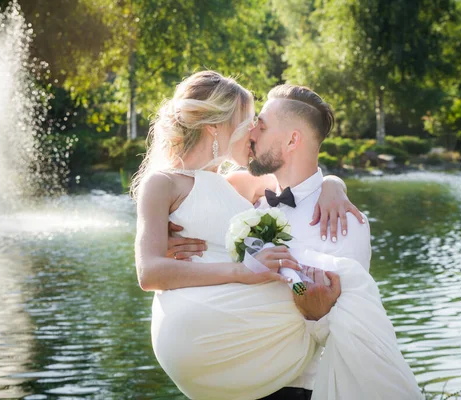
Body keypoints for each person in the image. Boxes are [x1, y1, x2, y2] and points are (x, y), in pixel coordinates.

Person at [133, 71, 358, 399]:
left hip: (252, 339)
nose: (255, 129)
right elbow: (150, 273)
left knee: (342, 286)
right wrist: (244, 271)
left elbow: (300, 184)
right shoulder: (162, 183)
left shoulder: (236, 183)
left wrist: (334, 184)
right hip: (196, 338)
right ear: (215, 126)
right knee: (350, 291)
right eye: (249, 120)